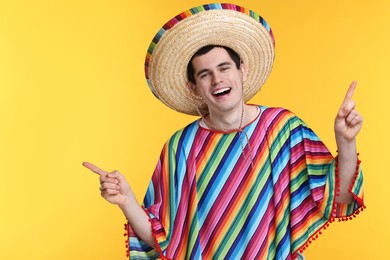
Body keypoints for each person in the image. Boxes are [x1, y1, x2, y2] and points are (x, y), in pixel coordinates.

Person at [83, 3, 364, 259]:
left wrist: (345, 141)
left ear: (242, 72)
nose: (217, 79)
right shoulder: (181, 147)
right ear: (195, 88)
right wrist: (127, 201)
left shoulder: (282, 130)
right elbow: (162, 238)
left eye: (224, 67)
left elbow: (337, 197)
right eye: (205, 74)